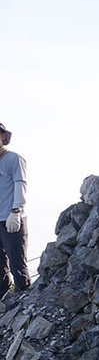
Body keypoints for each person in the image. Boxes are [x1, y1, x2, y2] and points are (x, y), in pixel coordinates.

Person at [0, 122, 29, 298]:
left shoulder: (14, 159)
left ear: (3, 136)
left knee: (17, 264)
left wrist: (16, 210)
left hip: (11, 218)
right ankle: (5, 305)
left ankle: (25, 300)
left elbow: (20, 185)